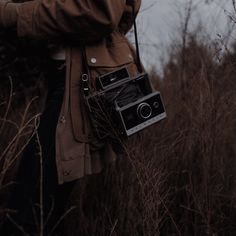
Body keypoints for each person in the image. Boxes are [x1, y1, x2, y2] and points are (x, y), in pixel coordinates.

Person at [0, 0, 141, 235]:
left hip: (79, 86)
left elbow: (101, 13)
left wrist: (13, 14)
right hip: (66, 80)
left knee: (25, 215)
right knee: (43, 211)